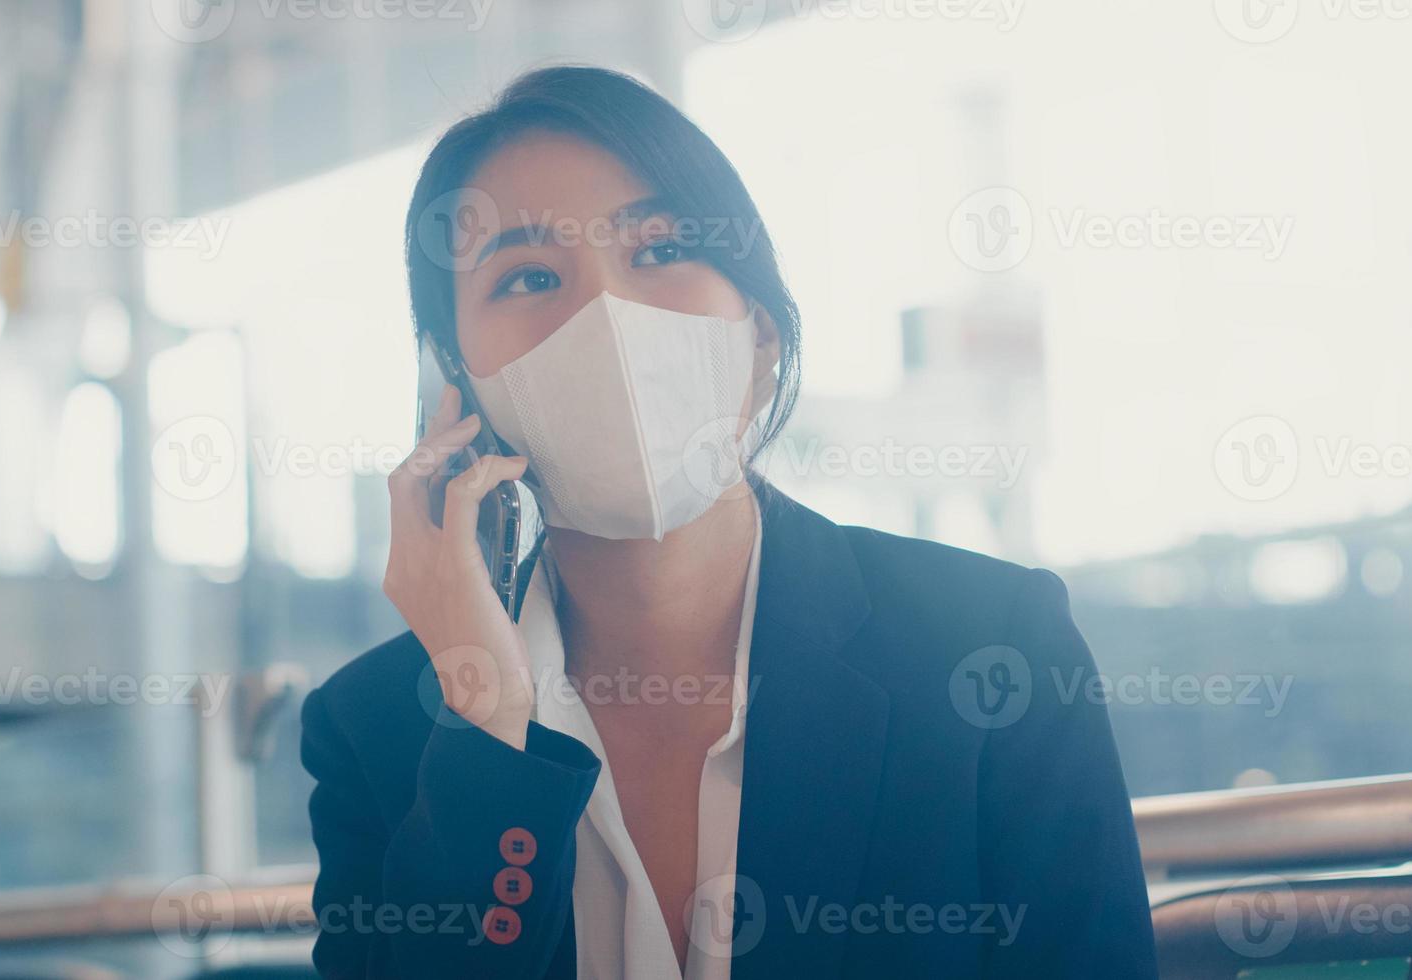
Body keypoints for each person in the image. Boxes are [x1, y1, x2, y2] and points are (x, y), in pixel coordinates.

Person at [301, 64, 1157, 979]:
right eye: (532, 275)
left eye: (662, 250)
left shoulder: (987, 647)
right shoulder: (379, 728)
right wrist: (487, 719)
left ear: (759, 333)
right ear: (455, 384)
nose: (606, 314)